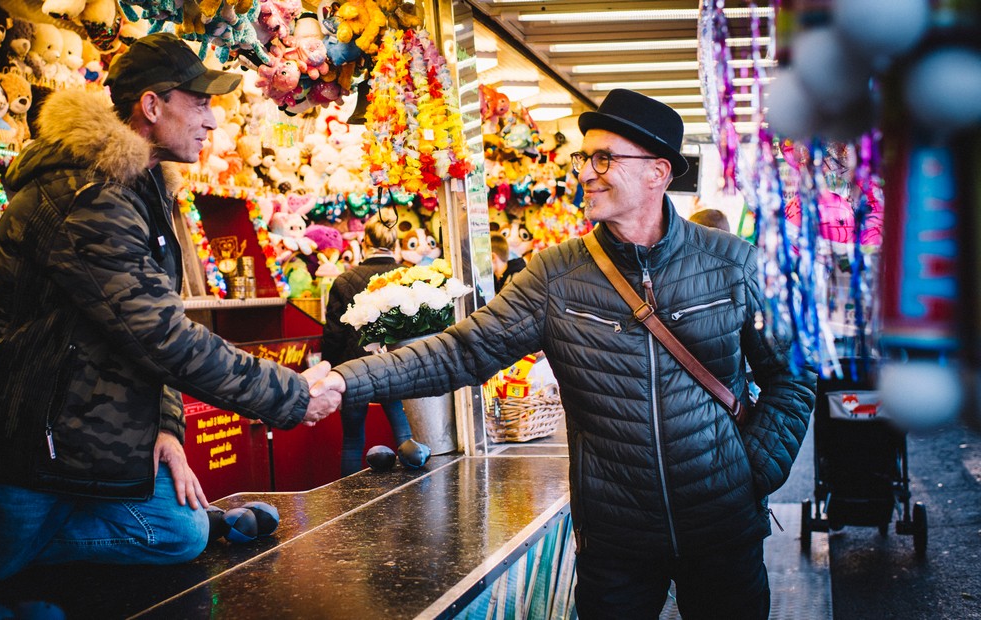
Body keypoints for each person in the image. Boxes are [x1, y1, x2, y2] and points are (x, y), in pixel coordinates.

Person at [315, 89, 815, 619]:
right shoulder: (556, 276)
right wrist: (348, 380)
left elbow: (793, 374)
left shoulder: (733, 264)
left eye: (605, 158)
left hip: (723, 528)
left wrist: (754, 469)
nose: (587, 173)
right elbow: (464, 351)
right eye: (584, 157)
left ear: (658, 172)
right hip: (616, 541)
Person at [0, 33, 340, 593]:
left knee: (179, 531)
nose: (213, 121)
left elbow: (144, 326)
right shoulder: (89, 192)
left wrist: (165, 426)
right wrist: (289, 396)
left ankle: (14, 560)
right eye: (200, 103)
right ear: (152, 106)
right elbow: (160, 335)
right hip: (17, 433)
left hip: (86, 433)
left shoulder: (140, 188)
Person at [321, 215, 413, 476]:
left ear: (364, 242)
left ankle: (349, 498)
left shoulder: (343, 281)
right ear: (393, 243)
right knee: (405, 435)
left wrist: (332, 371)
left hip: (353, 370)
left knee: (352, 441)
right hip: (396, 366)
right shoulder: (405, 276)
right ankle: (419, 488)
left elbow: (333, 333)